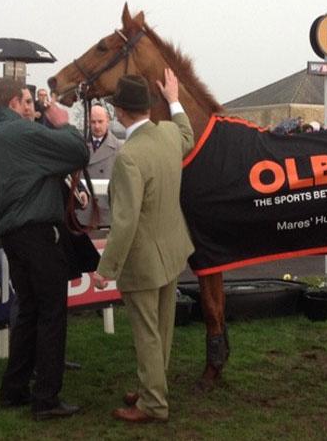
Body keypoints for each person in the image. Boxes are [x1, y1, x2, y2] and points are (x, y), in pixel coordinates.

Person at [0, 77, 90, 421]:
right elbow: (78, 152)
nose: (31, 108)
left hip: (14, 235)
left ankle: (14, 390)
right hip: (39, 233)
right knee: (51, 313)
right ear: (14, 102)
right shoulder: (21, 134)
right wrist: (64, 124)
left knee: (28, 311)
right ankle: (46, 398)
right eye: (27, 101)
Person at [90, 70, 194, 423]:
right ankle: (154, 388)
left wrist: (106, 270)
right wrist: (175, 98)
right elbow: (187, 133)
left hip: (144, 261)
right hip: (172, 251)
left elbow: (124, 221)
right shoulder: (168, 134)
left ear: (118, 112)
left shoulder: (129, 157)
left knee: (148, 335)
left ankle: (153, 404)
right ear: (150, 105)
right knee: (162, 330)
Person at [84, 104, 123, 226]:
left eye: (100, 121)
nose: (96, 126)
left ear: (107, 121)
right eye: (93, 122)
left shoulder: (119, 149)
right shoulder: (80, 147)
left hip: (107, 214)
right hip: (83, 214)